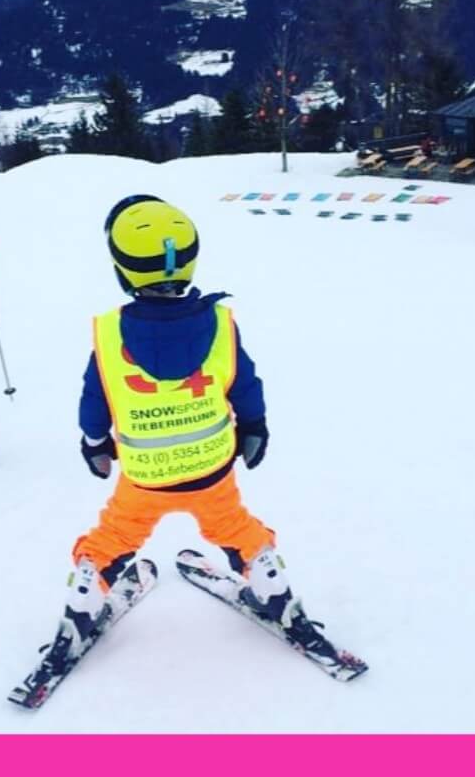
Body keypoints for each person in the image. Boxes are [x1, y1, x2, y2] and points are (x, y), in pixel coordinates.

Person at [62, 193, 309, 643]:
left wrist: (95, 442)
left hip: (146, 476)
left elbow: (93, 399)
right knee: (233, 526)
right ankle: (269, 577)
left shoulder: (110, 333)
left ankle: (86, 588)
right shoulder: (220, 323)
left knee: (117, 533)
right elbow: (245, 382)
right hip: (211, 468)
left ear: (122, 271)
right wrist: (254, 426)